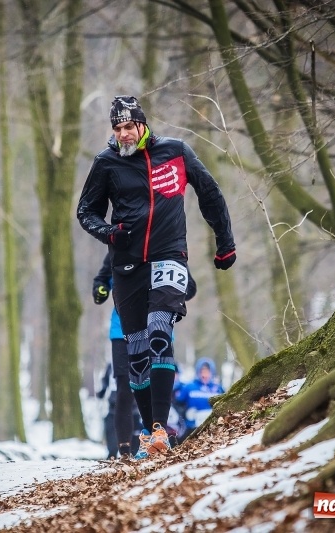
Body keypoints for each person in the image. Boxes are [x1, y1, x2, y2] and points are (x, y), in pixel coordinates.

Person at [77, 95, 235, 460]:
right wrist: (109, 233)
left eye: (128, 127)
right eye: (117, 129)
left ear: (143, 125)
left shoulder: (176, 152)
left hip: (169, 255)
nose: (123, 135)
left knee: (160, 331)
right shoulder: (107, 162)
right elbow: (86, 211)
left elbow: (210, 194)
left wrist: (224, 243)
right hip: (127, 264)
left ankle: (161, 428)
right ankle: (150, 432)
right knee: (136, 353)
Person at [93, 251, 196, 458]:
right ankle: (123, 452)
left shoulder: (163, 246)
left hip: (158, 324)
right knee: (124, 385)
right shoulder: (117, 249)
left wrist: (170, 292)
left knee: (155, 381)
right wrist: (100, 290)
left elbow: (190, 286)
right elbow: (101, 280)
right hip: (121, 328)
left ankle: (156, 435)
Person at [174, 358, 225, 442]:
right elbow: (178, 404)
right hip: (192, 428)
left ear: (211, 372)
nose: (204, 375)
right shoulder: (189, 387)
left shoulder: (218, 389)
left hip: (213, 426)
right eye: (202, 372)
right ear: (198, 372)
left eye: (207, 372)